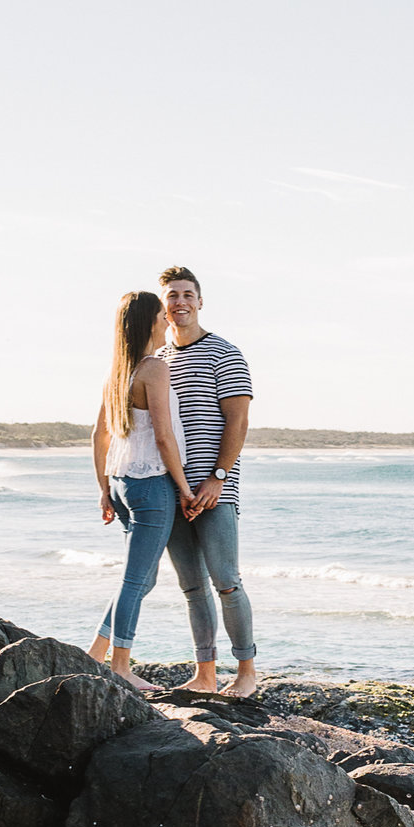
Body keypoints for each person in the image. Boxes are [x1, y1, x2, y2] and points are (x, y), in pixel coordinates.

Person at [157, 264, 259, 696]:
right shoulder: (157, 360)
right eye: (172, 295)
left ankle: (247, 673)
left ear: (200, 301)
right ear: (163, 305)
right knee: (192, 587)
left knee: (226, 580)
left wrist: (218, 477)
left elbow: (238, 422)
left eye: (186, 294)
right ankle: (205, 674)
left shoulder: (225, 352)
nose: (179, 302)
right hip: (170, 489)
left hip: (215, 488)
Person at [86, 290, 193, 684]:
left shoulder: (117, 372)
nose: (168, 321)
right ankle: (121, 668)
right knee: (135, 580)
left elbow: (99, 434)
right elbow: (164, 437)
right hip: (151, 484)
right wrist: (184, 488)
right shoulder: (153, 368)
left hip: (121, 482)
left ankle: (96, 653)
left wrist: (103, 488)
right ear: (150, 321)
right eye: (162, 317)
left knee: (141, 578)